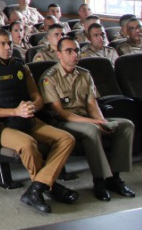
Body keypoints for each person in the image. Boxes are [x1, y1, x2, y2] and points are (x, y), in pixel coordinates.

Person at [0, 29, 77, 213]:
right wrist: (15, 111)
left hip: (27, 119)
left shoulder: (22, 67)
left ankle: (37, 188)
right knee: (28, 144)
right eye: (3, 44)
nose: (8, 47)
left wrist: (32, 108)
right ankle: (50, 187)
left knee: (66, 139)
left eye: (10, 43)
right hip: (1, 126)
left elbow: (37, 97)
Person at [41, 36, 136, 202]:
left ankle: (114, 177)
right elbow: (61, 113)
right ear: (59, 54)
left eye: (76, 50)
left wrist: (102, 121)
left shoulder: (85, 75)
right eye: (68, 51)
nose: (74, 55)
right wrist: (94, 123)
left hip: (87, 118)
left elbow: (92, 105)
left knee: (126, 125)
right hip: (65, 123)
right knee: (92, 130)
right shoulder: (49, 77)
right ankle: (99, 181)